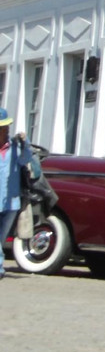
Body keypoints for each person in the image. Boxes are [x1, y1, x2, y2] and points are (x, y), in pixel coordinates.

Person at [0, 108, 32, 279]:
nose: (4, 131)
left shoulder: (15, 148)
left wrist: (25, 143)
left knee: (2, 237)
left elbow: (26, 160)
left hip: (11, 202)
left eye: (5, 127)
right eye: (1, 128)